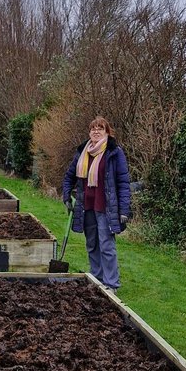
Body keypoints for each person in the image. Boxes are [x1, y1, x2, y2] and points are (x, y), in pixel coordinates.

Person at [62, 115, 131, 292]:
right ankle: (96, 277)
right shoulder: (83, 152)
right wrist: (66, 196)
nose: (96, 131)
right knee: (92, 243)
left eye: (100, 128)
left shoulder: (114, 152)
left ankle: (111, 284)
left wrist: (124, 209)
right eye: (93, 128)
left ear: (107, 132)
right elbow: (69, 176)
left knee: (107, 245)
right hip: (87, 207)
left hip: (106, 207)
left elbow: (123, 183)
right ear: (89, 132)